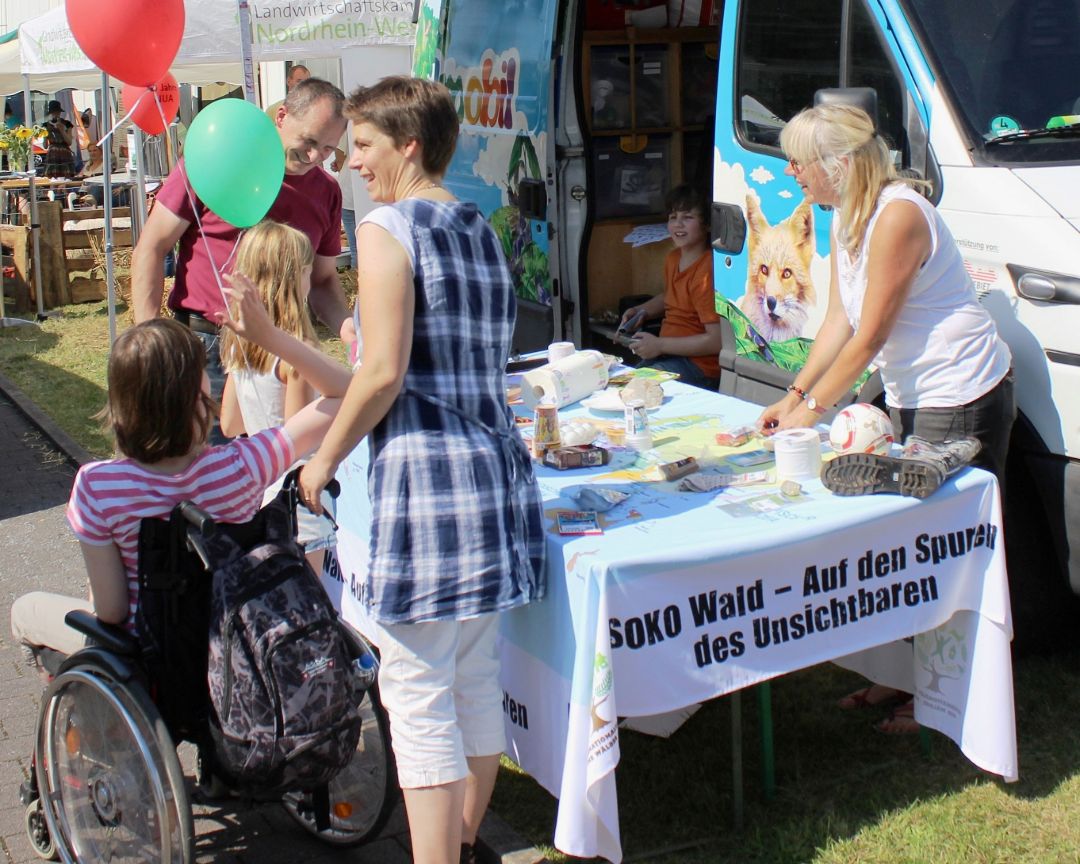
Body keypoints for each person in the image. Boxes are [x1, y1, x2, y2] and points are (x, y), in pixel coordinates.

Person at [218, 76, 547, 864]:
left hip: (428, 490)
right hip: (494, 482)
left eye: (363, 144)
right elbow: (397, 362)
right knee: (472, 683)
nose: (352, 161)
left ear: (408, 145)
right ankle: (461, 845)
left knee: (419, 698)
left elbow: (383, 372)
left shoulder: (388, 226)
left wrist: (323, 460)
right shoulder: (478, 225)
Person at [757, 103, 1015, 733]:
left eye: (800, 161)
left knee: (942, 548)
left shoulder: (898, 216)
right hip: (915, 395)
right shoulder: (848, 214)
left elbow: (869, 337)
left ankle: (945, 697)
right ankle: (901, 677)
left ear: (840, 165)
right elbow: (838, 321)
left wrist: (812, 412)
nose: (791, 172)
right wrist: (793, 397)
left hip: (959, 396)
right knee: (907, 545)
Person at [8, 318, 344, 677]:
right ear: (198, 390)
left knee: (24, 612)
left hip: (148, 662)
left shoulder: (97, 486)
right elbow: (343, 392)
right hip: (238, 647)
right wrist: (270, 336)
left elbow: (111, 611)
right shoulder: (245, 463)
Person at [130, 78, 353, 441]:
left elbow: (323, 279)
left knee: (277, 466)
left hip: (282, 354)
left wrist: (346, 326)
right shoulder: (216, 158)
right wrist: (149, 338)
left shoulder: (326, 191)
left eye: (328, 149)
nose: (315, 158)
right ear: (281, 117)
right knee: (205, 461)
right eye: (309, 142)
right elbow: (152, 247)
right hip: (207, 345)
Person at [219, 220, 351, 575]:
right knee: (311, 598)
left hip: (257, 496)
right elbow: (297, 436)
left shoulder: (238, 346)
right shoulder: (298, 354)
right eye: (308, 271)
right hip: (299, 500)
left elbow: (229, 423)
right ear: (295, 277)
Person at [617, 183, 723, 390]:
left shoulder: (707, 271)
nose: (678, 224)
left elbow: (716, 341)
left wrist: (659, 345)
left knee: (636, 390)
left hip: (698, 366)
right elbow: (671, 297)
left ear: (707, 225)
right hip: (668, 355)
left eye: (688, 217)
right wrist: (641, 311)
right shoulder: (673, 259)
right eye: (673, 217)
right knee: (619, 385)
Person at [42, 100, 76, 178]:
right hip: (52, 153)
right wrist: (45, 134)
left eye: (57, 112)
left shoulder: (67, 124)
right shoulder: (45, 125)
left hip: (64, 151)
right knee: (52, 176)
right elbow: (45, 146)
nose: (56, 114)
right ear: (51, 113)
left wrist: (62, 130)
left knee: (66, 176)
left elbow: (69, 142)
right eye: (54, 112)